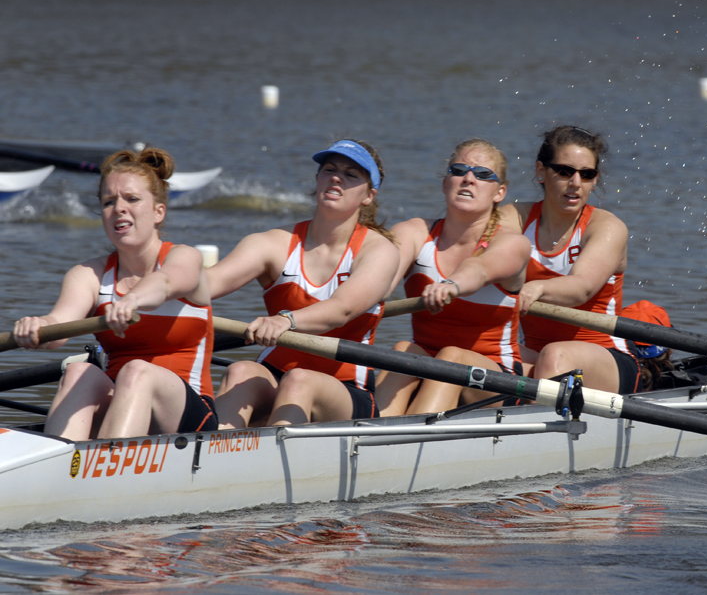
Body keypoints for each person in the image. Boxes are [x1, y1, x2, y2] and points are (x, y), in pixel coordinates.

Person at [13, 148, 217, 441]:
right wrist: (37, 326)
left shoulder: (185, 258)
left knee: (138, 371)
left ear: (158, 211)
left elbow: (164, 283)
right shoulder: (88, 274)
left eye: (132, 199)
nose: (119, 208)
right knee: (77, 373)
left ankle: (104, 469)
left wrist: (131, 300)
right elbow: (58, 327)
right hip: (121, 404)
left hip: (190, 415)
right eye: (109, 202)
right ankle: (58, 465)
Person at [208, 139, 399, 428]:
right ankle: (209, 459)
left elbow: (341, 310)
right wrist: (147, 291)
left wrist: (287, 319)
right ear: (318, 179)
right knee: (240, 371)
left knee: (300, 381)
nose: (337, 177)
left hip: (346, 390)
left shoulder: (379, 252)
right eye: (329, 169)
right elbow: (208, 283)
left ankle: (268, 464)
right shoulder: (272, 243)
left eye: (351, 175)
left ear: (368, 195)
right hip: (274, 373)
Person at [374, 139, 531, 416]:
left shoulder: (512, 244)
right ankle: (367, 433)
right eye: (459, 170)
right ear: (446, 183)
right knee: (402, 350)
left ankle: (403, 444)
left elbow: (480, 269)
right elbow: (378, 282)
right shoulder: (413, 232)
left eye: (483, 175)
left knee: (451, 356)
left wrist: (452, 285)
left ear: (499, 193)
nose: (468, 179)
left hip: (497, 379)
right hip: (428, 364)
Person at [499, 125, 642, 395]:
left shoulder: (606, 227)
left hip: (607, 358)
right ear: (541, 172)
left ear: (595, 179)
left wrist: (537, 287)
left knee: (555, 356)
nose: (576, 183)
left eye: (586, 174)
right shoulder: (514, 217)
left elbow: (582, 287)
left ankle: (528, 429)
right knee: (468, 350)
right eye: (565, 171)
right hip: (537, 354)